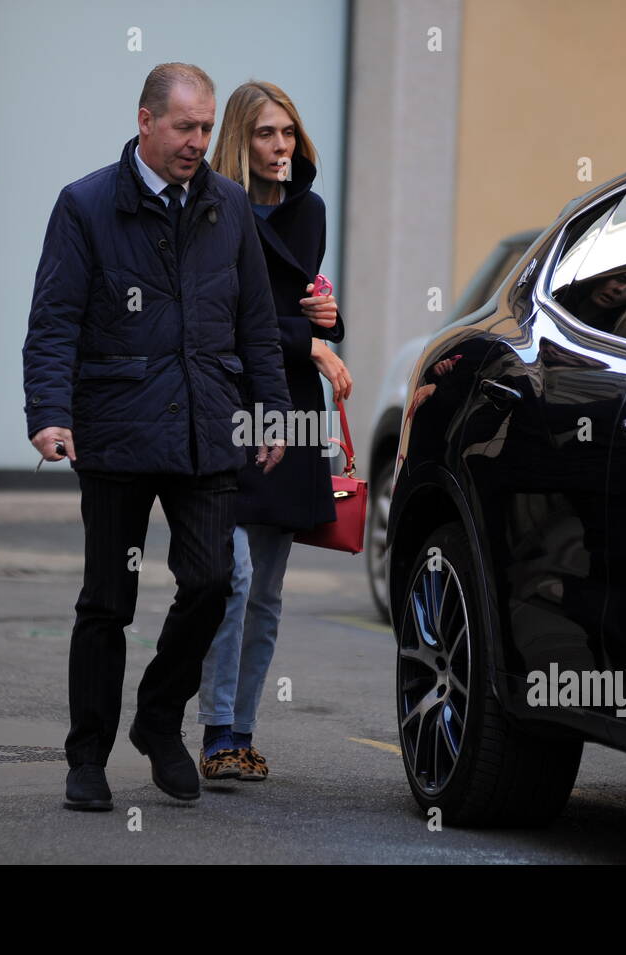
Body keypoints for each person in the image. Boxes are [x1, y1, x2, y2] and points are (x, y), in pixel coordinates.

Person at [23, 63, 291, 811]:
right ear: (145, 122)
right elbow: (54, 320)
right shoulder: (85, 206)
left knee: (213, 581)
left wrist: (269, 406)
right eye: (184, 127)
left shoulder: (228, 206)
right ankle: (87, 759)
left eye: (206, 128)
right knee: (108, 600)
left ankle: (158, 717)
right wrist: (49, 410)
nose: (198, 142)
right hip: (113, 427)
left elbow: (257, 323)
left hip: (206, 426)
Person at [195, 80, 352, 782]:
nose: (280, 145)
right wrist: (310, 343)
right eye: (265, 133)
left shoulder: (308, 210)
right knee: (233, 576)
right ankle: (214, 726)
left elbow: (299, 306)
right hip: (234, 405)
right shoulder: (216, 210)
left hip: (290, 408)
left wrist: (327, 322)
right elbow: (225, 318)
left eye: (288, 132)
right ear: (241, 139)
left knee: (268, 589)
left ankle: (244, 730)